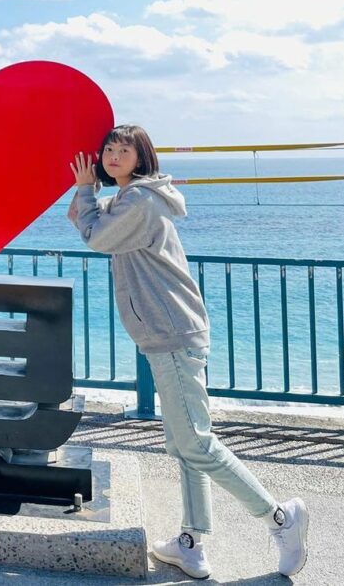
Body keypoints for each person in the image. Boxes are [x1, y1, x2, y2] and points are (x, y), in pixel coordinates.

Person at [67, 124, 308, 580]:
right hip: (168, 333)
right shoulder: (130, 198)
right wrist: (87, 192)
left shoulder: (140, 201)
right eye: (108, 149)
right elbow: (82, 220)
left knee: (196, 443)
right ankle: (190, 544)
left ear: (141, 158)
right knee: (183, 444)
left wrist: (85, 191)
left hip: (172, 334)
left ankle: (280, 518)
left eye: (124, 150)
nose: (114, 155)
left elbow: (95, 237)